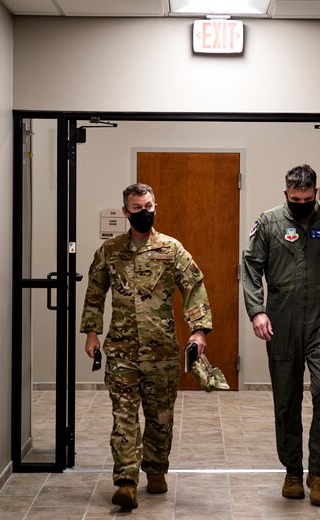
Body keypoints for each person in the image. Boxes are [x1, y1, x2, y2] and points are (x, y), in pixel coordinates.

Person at [80, 183, 212, 510]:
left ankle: (155, 469)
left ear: (156, 206)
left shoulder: (171, 249)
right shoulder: (110, 251)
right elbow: (95, 292)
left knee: (159, 418)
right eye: (137, 208)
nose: (144, 213)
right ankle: (126, 481)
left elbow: (193, 286)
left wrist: (199, 331)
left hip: (162, 351)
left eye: (148, 206)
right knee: (124, 416)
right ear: (126, 212)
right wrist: (91, 333)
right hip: (122, 351)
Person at [242, 164, 320, 507]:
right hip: (282, 317)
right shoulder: (269, 223)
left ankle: (319, 472)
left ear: (316, 194)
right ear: (286, 195)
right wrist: (258, 311)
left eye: (307, 199)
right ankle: (293, 470)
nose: (301, 204)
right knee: (287, 397)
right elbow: (251, 268)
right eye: (295, 199)